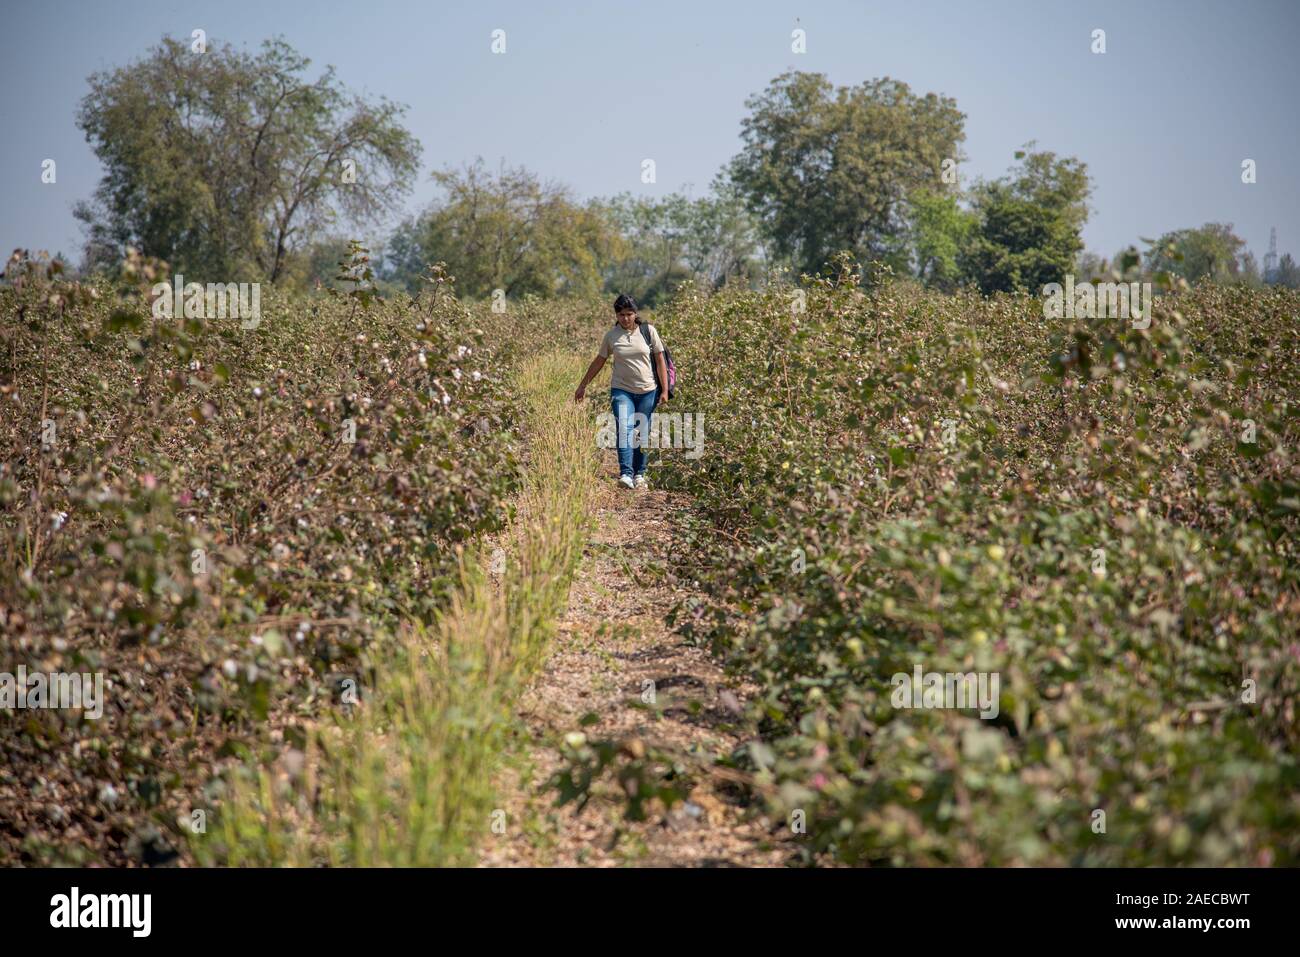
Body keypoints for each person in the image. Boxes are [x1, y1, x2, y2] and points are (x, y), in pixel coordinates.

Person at [574, 293, 669, 489]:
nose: (625, 318)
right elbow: (599, 361)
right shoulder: (611, 336)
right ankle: (626, 474)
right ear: (616, 315)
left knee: (641, 431)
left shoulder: (648, 331)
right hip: (621, 390)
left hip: (648, 390)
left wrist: (665, 390)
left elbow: (660, 361)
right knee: (624, 428)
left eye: (629, 314)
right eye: (621, 315)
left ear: (635, 313)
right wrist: (583, 385)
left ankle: (639, 474)